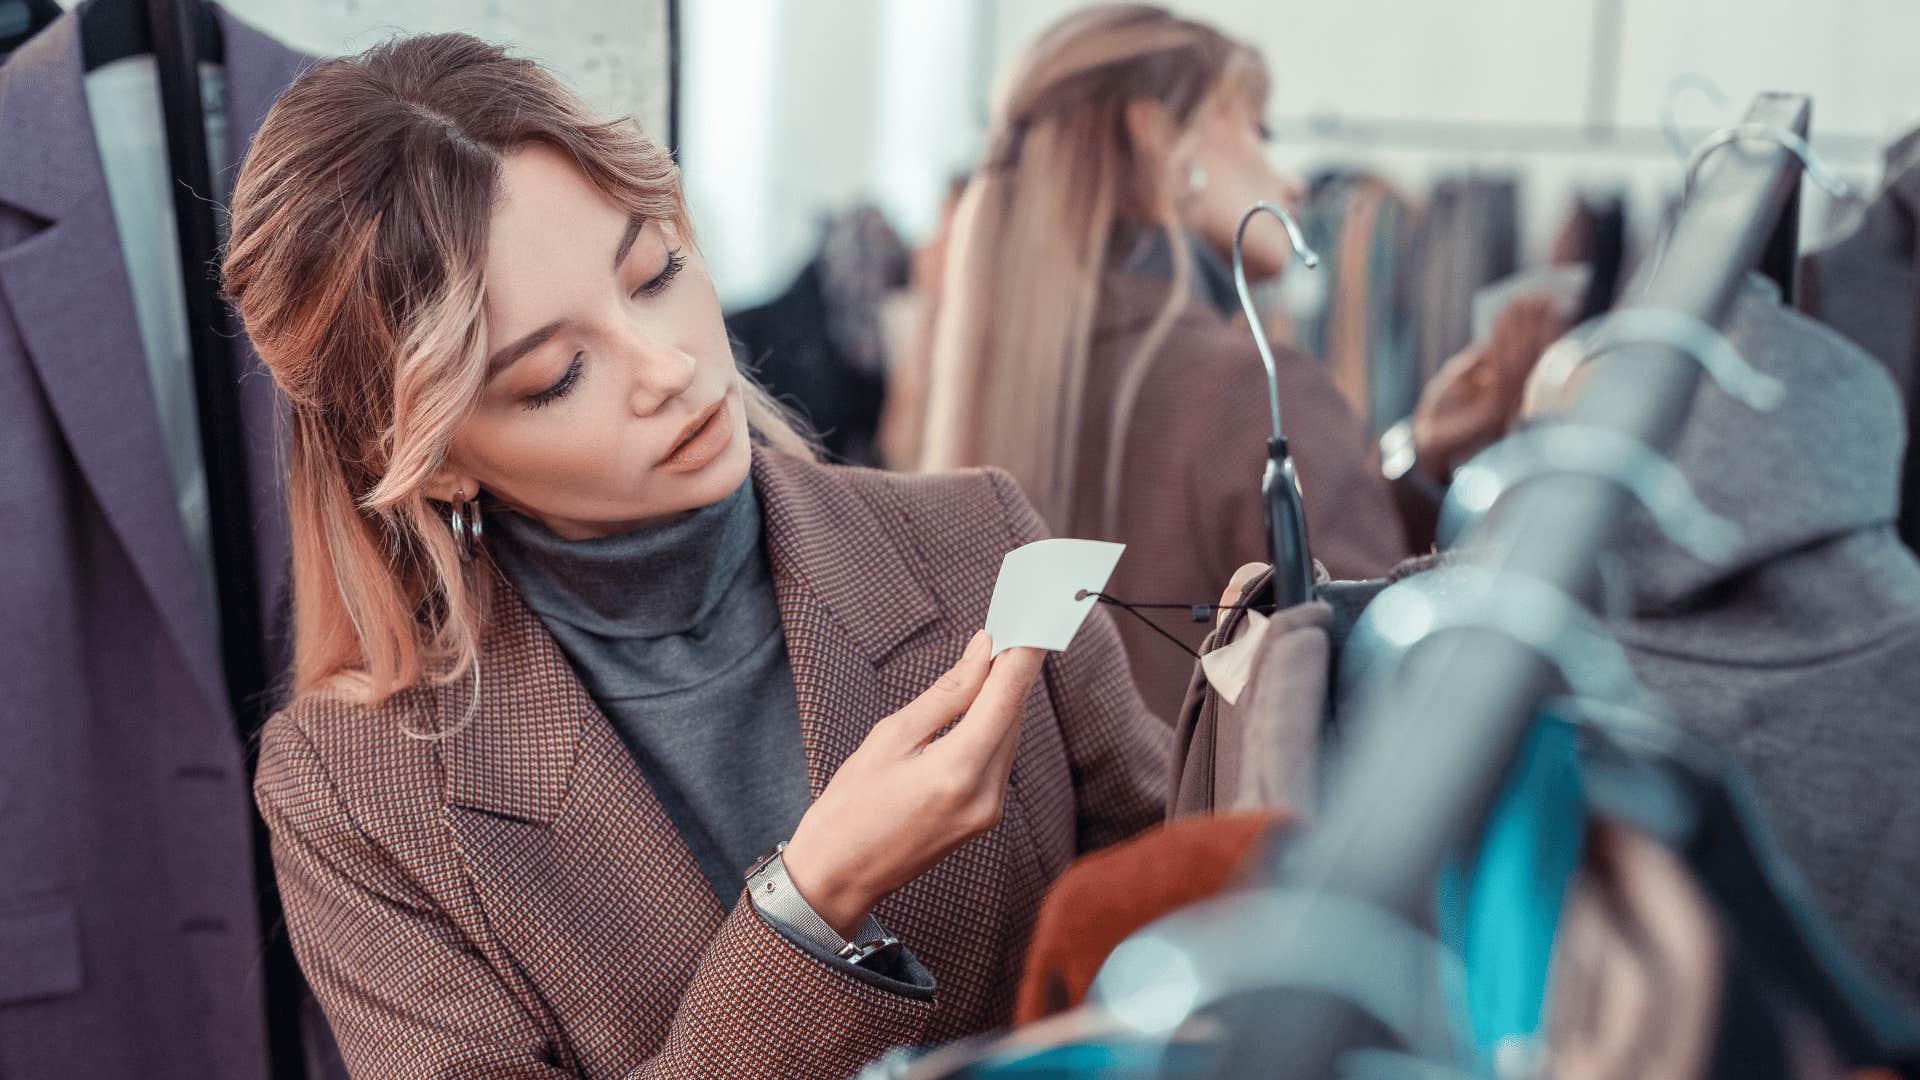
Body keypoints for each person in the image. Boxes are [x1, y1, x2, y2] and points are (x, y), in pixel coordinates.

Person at [223, 34, 1169, 1078]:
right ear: (434, 461)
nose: (665, 366)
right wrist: (811, 902)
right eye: (555, 374)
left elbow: (1200, 922)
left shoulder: (979, 543)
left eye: (655, 271)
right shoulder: (354, 788)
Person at [921, 4, 1523, 718]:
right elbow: (1385, 677)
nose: (1292, 183)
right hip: (1235, 830)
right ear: (1157, 138)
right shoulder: (1252, 392)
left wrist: (1411, 462)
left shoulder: (997, 389)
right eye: (1258, 131)